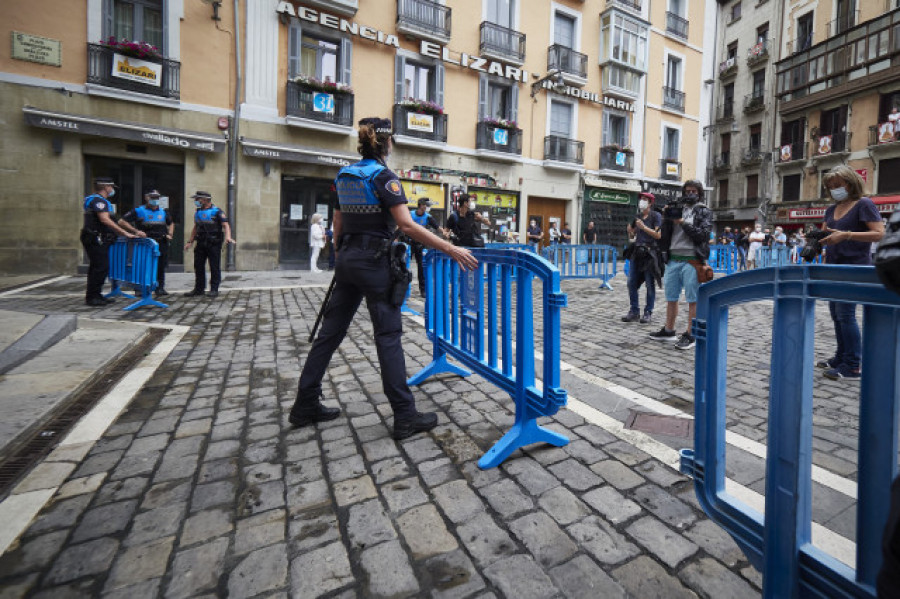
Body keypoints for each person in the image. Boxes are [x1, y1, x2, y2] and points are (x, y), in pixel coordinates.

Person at [288, 117, 478, 440]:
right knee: (388, 337)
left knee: (329, 334)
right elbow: (405, 225)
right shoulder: (384, 177)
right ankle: (404, 415)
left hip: (348, 261)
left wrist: (343, 255)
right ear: (387, 144)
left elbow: (337, 226)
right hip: (376, 264)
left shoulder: (344, 175)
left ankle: (305, 402)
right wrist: (450, 248)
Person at [816, 165, 885, 380]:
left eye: (838, 185)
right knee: (837, 315)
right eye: (830, 186)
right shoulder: (831, 209)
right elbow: (828, 234)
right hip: (834, 266)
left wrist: (846, 235)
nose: (834, 189)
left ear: (851, 182)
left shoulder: (863, 204)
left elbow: (879, 233)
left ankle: (853, 364)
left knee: (846, 315)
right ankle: (841, 356)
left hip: (854, 266)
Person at [649, 179, 713, 350]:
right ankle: (669, 330)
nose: (690, 193)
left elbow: (703, 236)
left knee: (693, 299)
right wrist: (666, 217)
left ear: (699, 193)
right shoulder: (677, 208)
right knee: (671, 296)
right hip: (673, 259)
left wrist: (683, 223)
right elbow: (665, 235)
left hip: (692, 260)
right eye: (687, 190)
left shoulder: (704, 212)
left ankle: (691, 334)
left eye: (694, 191)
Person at [80, 177, 139, 306]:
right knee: (101, 267)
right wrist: (125, 233)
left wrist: (132, 231)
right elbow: (105, 220)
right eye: (111, 187)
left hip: (96, 238)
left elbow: (113, 221)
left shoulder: (96, 200)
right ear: (107, 187)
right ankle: (93, 297)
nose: (112, 190)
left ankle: (95, 295)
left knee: (96, 267)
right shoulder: (98, 201)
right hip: (96, 238)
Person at [119, 189, 174, 297]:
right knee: (142, 265)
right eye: (152, 197)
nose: (154, 200)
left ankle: (160, 287)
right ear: (146, 198)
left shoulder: (164, 211)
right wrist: (136, 231)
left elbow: (171, 223)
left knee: (160, 266)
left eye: (157, 198)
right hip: (145, 243)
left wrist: (170, 234)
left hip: (160, 242)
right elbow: (121, 222)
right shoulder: (139, 210)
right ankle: (140, 288)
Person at [184, 191, 235, 299]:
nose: (196, 201)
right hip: (201, 242)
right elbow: (195, 228)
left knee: (214, 267)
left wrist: (228, 237)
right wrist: (190, 241)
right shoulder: (197, 212)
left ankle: (214, 289)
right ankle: (199, 289)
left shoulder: (217, 211)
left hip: (213, 243)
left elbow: (226, 225)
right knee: (198, 266)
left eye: (198, 199)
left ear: (205, 200)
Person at [622, 192, 662, 324]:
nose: (642, 202)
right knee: (631, 282)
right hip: (637, 253)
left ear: (650, 203)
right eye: (641, 199)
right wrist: (631, 231)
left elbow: (658, 235)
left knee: (650, 284)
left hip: (649, 254)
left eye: (645, 200)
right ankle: (634, 311)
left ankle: (648, 312)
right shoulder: (637, 216)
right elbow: (633, 237)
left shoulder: (655, 216)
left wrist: (643, 227)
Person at [409, 197, 440, 296]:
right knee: (403, 265)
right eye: (426, 205)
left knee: (421, 267)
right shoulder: (411, 214)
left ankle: (423, 290)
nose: (427, 207)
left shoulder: (427, 217)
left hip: (419, 243)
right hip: (409, 242)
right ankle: (403, 289)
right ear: (421, 205)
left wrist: (445, 232)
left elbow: (437, 227)